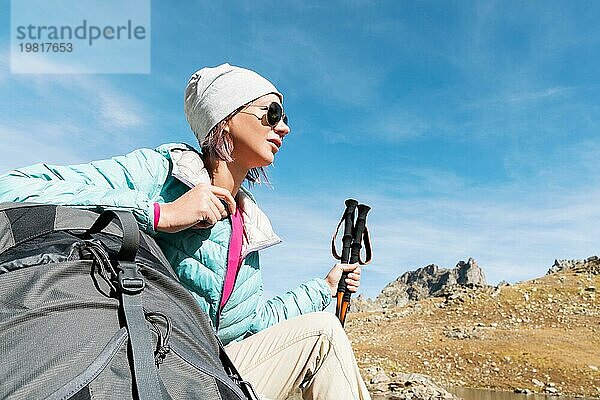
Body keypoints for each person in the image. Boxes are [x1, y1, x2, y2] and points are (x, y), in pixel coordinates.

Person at [0, 63, 371, 400]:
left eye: (284, 116)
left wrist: (323, 287)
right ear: (224, 118)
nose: (284, 127)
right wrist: (160, 214)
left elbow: (253, 326)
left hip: (211, 371)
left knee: (320, 337)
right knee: (324, 334)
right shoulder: (160, 172)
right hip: (147, 362)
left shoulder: (247, 224)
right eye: (271, 113)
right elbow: (14, 186)